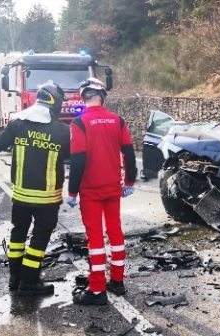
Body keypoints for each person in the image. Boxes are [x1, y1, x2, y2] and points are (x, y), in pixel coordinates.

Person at [0, 81, 69, 296]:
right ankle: (30, 282)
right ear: (55, 103)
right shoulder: (62, 131)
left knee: (18, 235)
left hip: (21, 196)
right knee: (39, 239)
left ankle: (14, 278)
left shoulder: (18, 123)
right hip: (47, 198)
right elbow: (77, 157)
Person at [67, 78, 138, 306]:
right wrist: (130, 180)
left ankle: (97, 289)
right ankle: (117, 281)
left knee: (95, 238)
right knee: (115, 232)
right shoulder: (118, 120)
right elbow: (129, 152)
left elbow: (78, 160)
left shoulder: (79, 123)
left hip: (90, 189)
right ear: (102, 96)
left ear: (83, 96)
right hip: (113, 187)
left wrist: (72, 191)